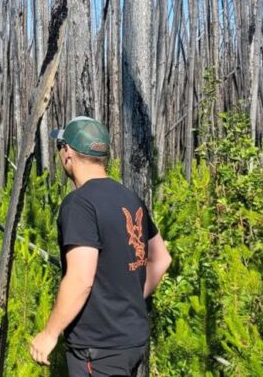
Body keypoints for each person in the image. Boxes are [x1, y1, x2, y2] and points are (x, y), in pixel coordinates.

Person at [29, 116, 172, 376]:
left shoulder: (79, 204)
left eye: (61, 148)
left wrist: (49, 334)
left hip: (98, 349)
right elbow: (161, 259)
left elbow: (81, 277)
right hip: (133, 342)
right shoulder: (130, 198)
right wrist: (129, 299)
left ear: (67, 153)